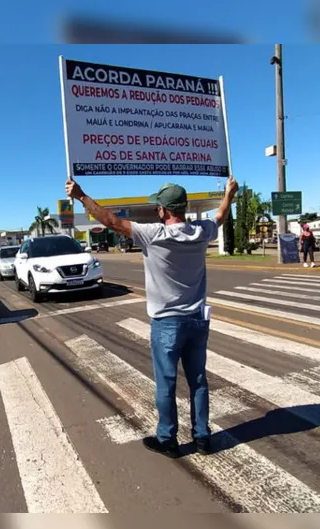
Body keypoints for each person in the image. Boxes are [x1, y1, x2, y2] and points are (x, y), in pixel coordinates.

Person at [65, 176, 239, 458]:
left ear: (165, 211)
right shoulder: (201, 231)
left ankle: (168, 439)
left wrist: (81, 195)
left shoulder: (154, 235)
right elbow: (219, 216)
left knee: (166, 383)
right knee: (198, 380)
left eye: (158, 206)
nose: (157, 210)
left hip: (167, 324)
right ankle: (203, 437)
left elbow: (109, 220)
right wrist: (229, 194)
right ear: (183, 208)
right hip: (197, 319)